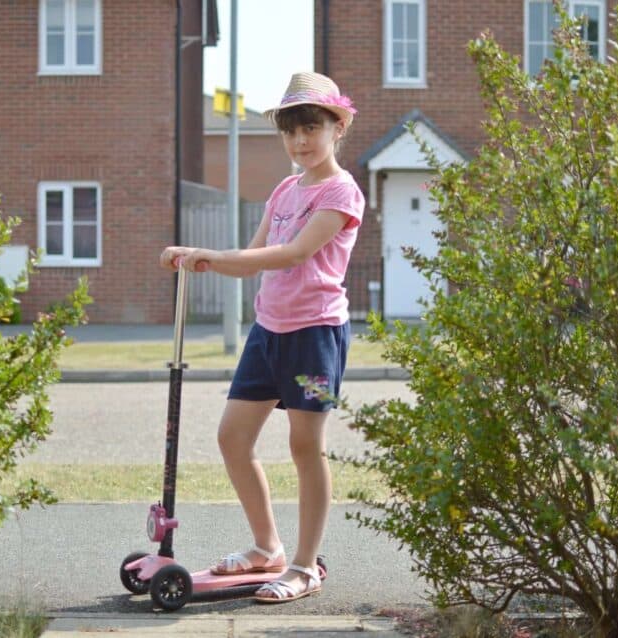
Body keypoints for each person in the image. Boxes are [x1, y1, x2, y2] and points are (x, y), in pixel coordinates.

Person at [159, 71, 364, 603]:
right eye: (291, 130)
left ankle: (303, 565)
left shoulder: (342, 192)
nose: (301, 141)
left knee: (305, 447)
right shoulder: (283, 189)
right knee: (233, 438)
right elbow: (254, 261)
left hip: (315, 333)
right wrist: (195, 257)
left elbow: (295, 254)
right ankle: (267, 546)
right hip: (269, 331)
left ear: (337, 126)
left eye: (312, 127)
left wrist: (215, 255)